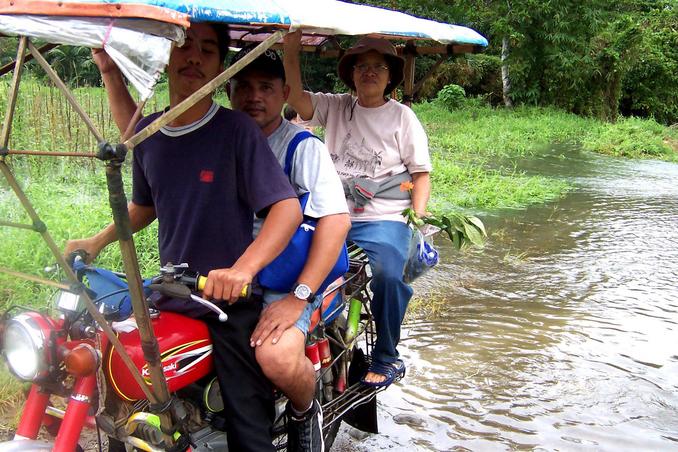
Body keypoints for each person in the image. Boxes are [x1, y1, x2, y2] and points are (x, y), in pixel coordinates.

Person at [64, 23, 301, 452]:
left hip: (225, 302)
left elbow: (286, 209)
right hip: (168, 295)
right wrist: (94, 242)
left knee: (250, 429)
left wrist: (242, 269)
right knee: (124, 396)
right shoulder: (150, 135)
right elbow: (143, 208)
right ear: (166, 56)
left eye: (208, 50)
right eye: (184, 46)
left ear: (218, 67)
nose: (194, 57)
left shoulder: (235, 131)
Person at [283, 31, 432, 387]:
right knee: (286, 260)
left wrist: (418, 219)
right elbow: (296, 100)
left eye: (378, 67)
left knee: (388, 273)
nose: (369, 72)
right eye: (362, 66)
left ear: (389, 75)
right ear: (351, 73)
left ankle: (387, 356)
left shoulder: (402, 118)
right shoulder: (336, 106)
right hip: (331, 212)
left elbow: (420, 176)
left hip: (382, 217)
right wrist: (290, 50)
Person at [226, 46, 350, 451]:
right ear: (228, 92)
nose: (253, 96)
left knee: (276, 358)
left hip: (288, 278)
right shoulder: (220, 141)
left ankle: (303, 409)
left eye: (265, 86)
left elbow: (335, 220)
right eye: (243, 86)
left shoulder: (301, 147)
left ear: (284, 93)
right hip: (231, 269)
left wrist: (300, 297)